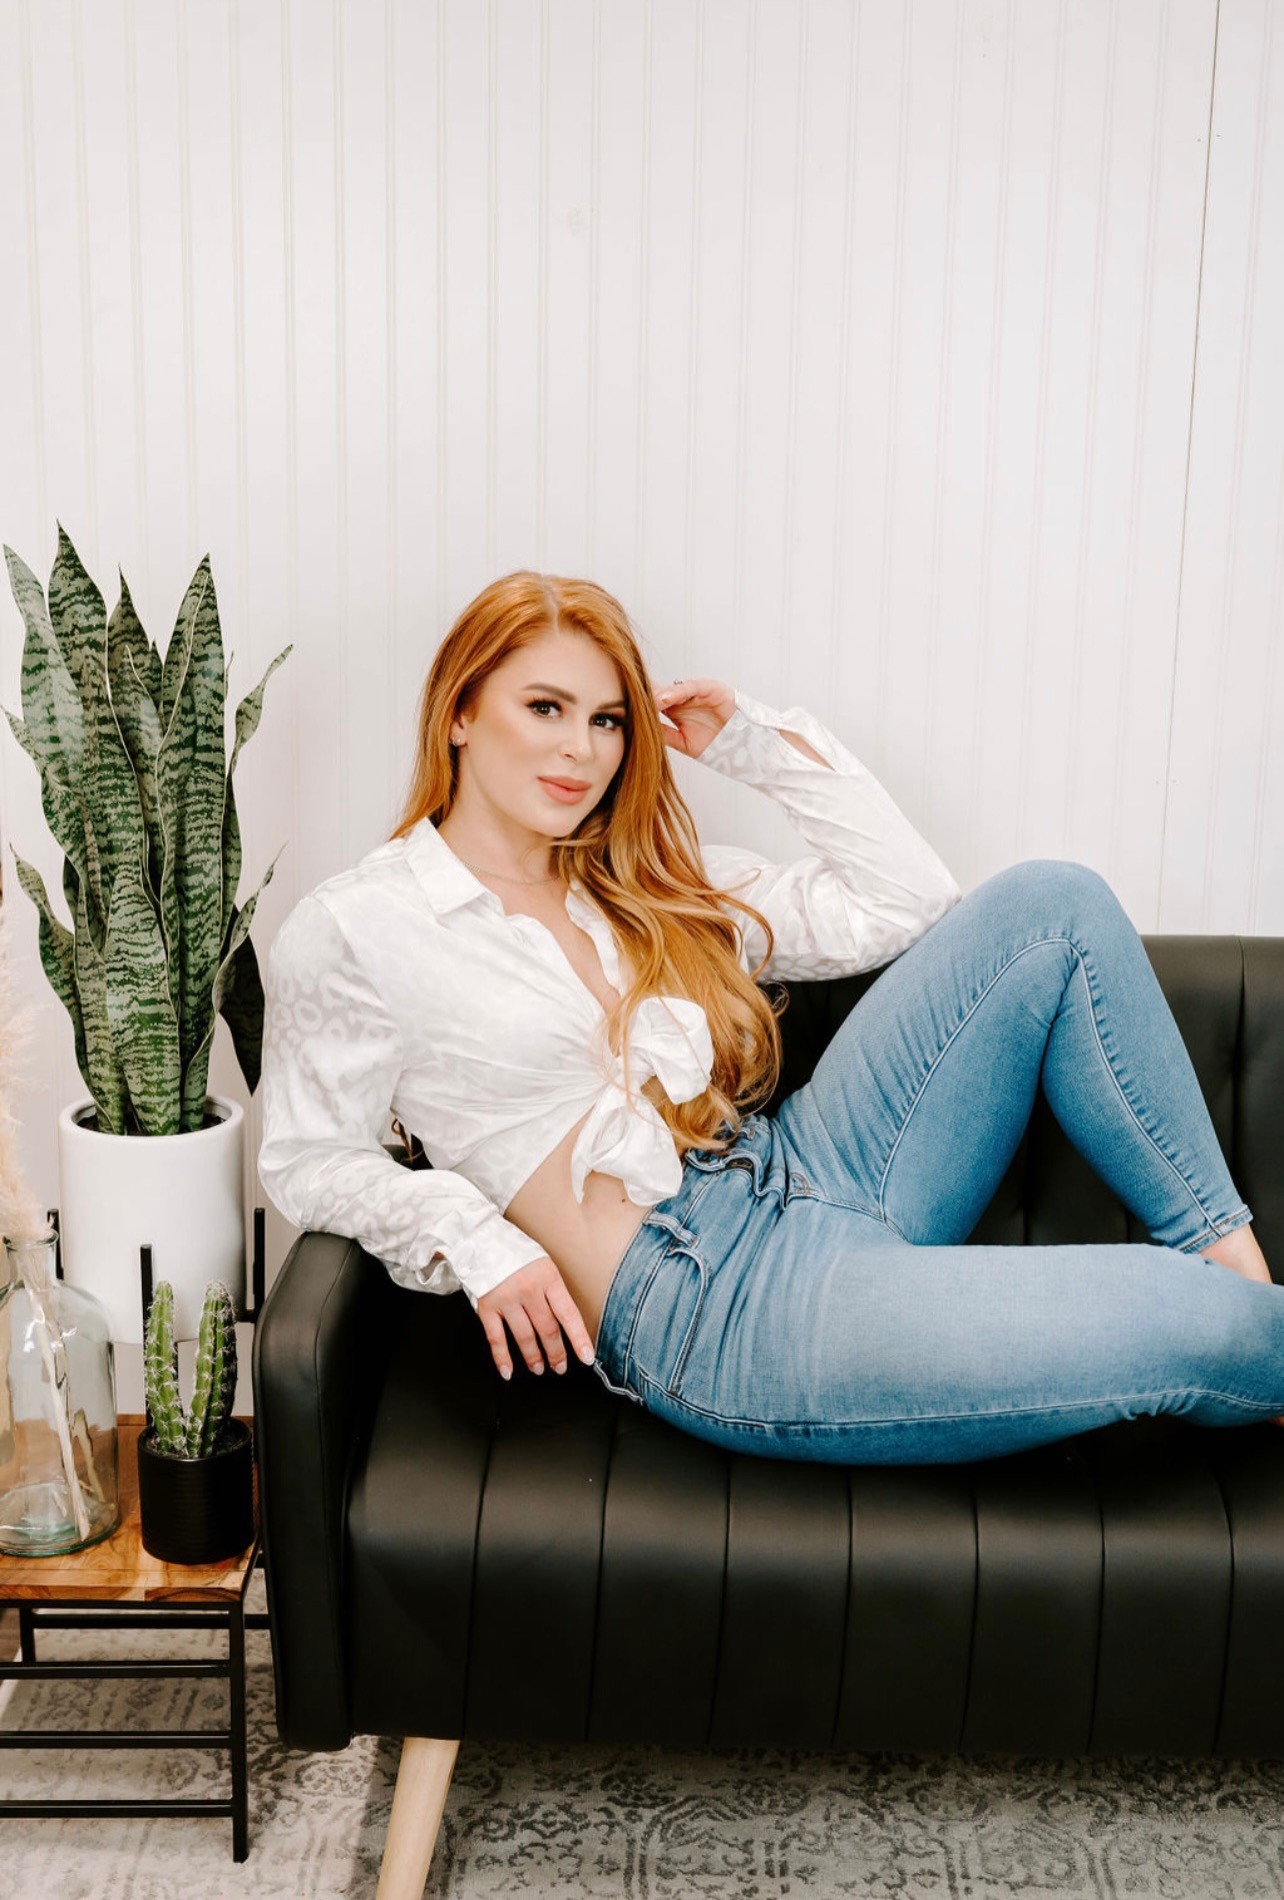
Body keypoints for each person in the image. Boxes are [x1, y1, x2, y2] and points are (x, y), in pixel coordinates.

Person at [258, 570, 1283, 1465]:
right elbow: (307, 1158)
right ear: (460, 712)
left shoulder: (645, 878)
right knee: (1204, 1325)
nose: (581, 748)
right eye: (545, 707)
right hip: (717, 1305)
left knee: (1052, 904)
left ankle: (1233, 1254)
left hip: (808, 1165)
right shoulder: (360, 926)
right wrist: (472, 1234)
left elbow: (903, 901)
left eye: (608, 719)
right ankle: (1248, 1326)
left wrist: (750, 742)